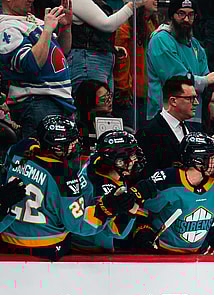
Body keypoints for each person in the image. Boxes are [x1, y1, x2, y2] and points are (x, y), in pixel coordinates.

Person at [0, 116, 136, 260]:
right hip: (45, 248)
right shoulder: (64, 176)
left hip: (7, 240)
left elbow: (8, 165)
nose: (75, 145)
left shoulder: (21, 148)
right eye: (71, 142)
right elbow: (79, 225)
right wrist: (107, 207)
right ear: (57, 146)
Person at [71, 130, 162, 252]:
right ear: (116, 161)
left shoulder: (95, 162)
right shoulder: (102, 189)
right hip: (92, 250)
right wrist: (133, 205)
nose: (134, 160)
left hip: (78, 241)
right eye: (131, 156)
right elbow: (117, 232)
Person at [0, 0, 74, 139]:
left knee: (65, 156)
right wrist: (47, 30)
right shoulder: (5, 27)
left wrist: (66, 27)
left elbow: (62, 52)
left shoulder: (36, 21)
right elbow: (31, 64)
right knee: (43, 158)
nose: (32, 0)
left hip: (61, 101)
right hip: (37, 103)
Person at [145, 0, 214, 120]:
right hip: (165, 117)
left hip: (193, 116)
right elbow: (174, 80)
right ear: (172, 15)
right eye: (181, 13)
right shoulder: (161, 40)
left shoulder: (195, 45)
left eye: (190, 15)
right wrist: (207, 80)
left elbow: (205, 76)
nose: (186, 19)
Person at [68, 0, 155, 92]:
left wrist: (109, 47)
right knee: (94, 103)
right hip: (88, 60)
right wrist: (133, 4)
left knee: (103, 103)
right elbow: (107, 25)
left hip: (98, 59)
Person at [136, 75, 200, 177]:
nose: (196, 103)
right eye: (190, 98)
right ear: (173, 101)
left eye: (196, 98)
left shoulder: (193, 130)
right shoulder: (148, 133)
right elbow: (146, 175)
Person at [113, 0, 159, 129]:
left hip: (149, 93)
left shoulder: (153, 24)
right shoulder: (125, 23)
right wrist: (123, 89)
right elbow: (121, 59)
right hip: (130, 94)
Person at [73, 79, 113, 146]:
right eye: (104, 99)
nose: (110, 101)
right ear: (90, 102)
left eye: (109, 96)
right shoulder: (78, 127)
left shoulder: (112, 121)